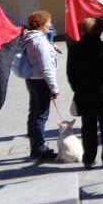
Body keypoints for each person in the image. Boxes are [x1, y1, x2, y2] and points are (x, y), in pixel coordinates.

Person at [66, 17, 103, 169]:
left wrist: (77, 89)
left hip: (84, 92)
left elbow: (70, 73)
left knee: (88, 127)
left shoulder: (75, 48)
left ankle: (88, 159)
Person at [22, 10, 60, 161]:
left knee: (34, 113)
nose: (50, 25)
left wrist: (50, 46)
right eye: (48, 22)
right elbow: (46, 68)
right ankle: (40, 149)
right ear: (41, 24)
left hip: (31, 79)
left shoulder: (30, 38)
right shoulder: (39, 41)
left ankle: (34, 147)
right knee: (41, 117)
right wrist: (54, 88)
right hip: (41, 81)